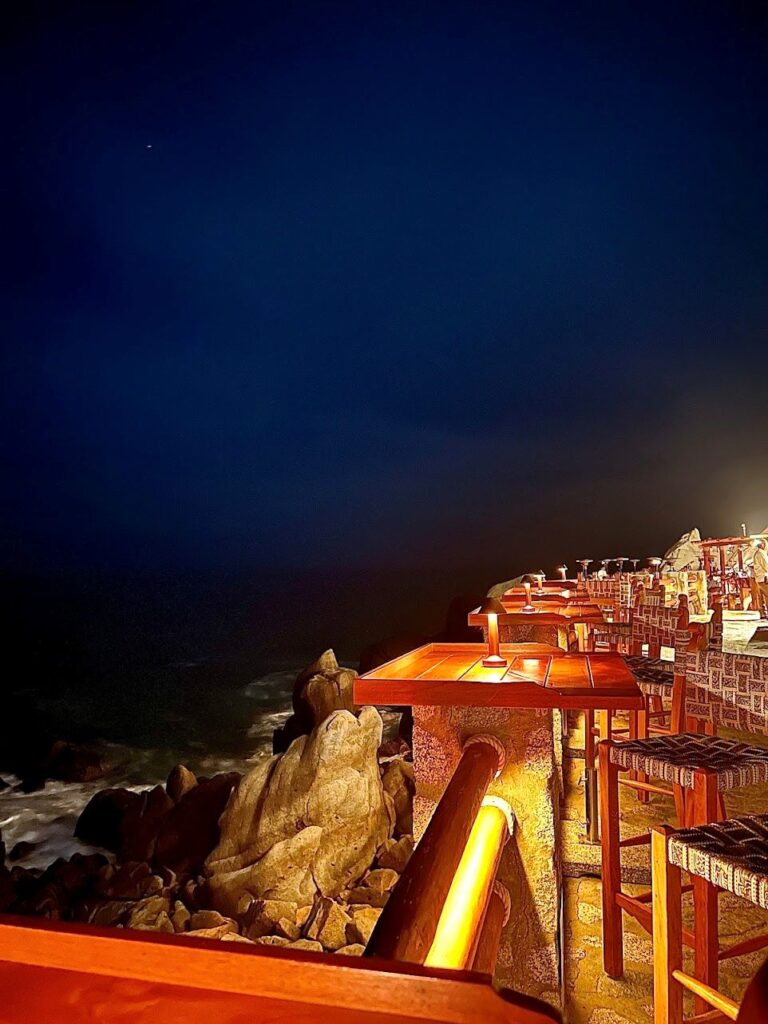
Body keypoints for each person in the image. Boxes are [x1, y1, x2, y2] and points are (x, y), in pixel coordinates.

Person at [753, 538, 768, 617]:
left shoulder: (757, 553)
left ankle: (762, 613)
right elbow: (766, 566)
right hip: (764, 578)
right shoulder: (761, 553)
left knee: (761, 597)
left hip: (759, 578)